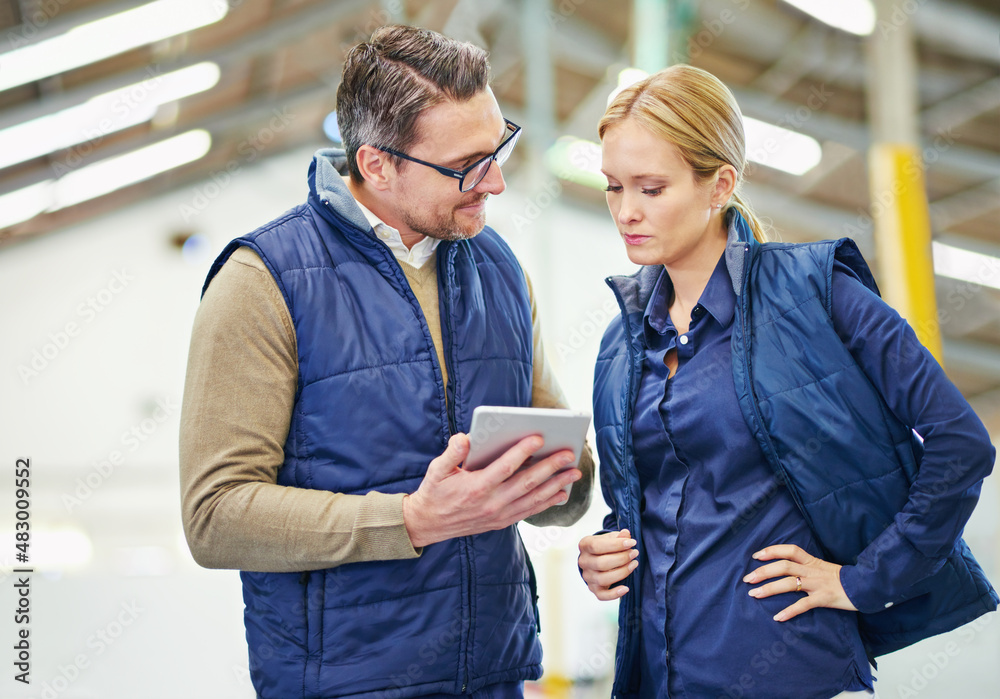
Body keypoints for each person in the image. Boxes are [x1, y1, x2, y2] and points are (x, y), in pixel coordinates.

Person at [179, 25, 593, 699]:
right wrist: (412, 520)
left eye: (499, 147)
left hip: (494, 673)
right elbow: (215, 517)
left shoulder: (500, 269)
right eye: (466, 165)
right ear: (377, 165)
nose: (496, 181)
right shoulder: (264, 279)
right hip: (345, 685)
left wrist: (563, 481)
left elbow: (556, 458)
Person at [578, 64, 997, 699]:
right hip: (656, 672)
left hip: (785, 668)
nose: (626, 211)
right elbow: (642, 503)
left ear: (720, 184)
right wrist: (604, 554)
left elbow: (960, 444)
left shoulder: (818, 293)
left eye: (651, 188)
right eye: (613, 187)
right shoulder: (622, 340)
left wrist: (863, 580)